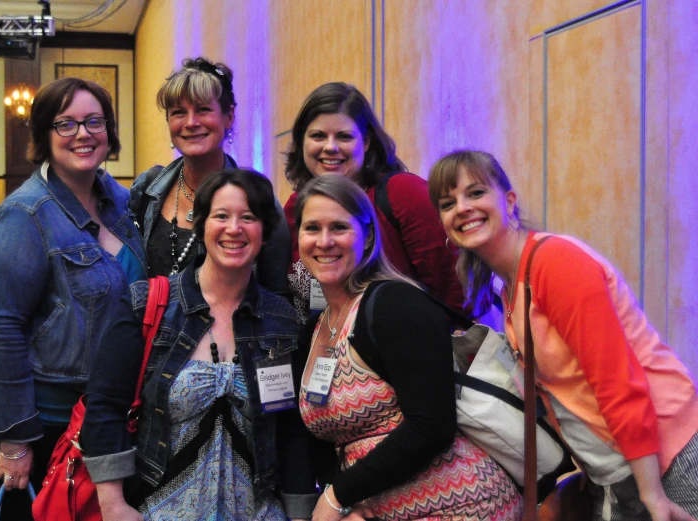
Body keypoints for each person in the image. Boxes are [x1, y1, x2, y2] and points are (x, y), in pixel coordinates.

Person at [429, 149, 698, 521]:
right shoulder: (508, 285)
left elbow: (616, 381)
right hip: (621, 472)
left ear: (509, 202)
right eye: (448, 202)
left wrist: (652, 494)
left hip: (668, 458)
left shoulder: (555, 263)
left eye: (475, 193)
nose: (462, 207)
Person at [0, 78, 146, 521]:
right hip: (4, 402)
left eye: (94, 121)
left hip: (78, 403)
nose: (83, 133)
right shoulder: (23, 216)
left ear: (110, 131)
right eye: (66, 123)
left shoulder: (120, 200)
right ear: (44, 135)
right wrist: (15, 439)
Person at [82, 169, 318, 521]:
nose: (233, 228)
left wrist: (300, 514)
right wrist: (113, 504)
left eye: (248, 217)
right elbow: (105, 406)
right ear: (202, 223)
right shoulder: (148, 305)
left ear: (265, 231)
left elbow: (291, 430)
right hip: (158, 510)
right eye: (221, 215)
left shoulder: (281, 320)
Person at [294, 175, 522, 521]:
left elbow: (432, 426)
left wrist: (338, 497)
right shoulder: (314, 328)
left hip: (462, 506)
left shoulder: (395, 304)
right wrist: (349, 503)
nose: (324, 241)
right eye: (312, 228)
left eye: (339, 227)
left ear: (368, 236)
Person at [283, 82, 463, 322]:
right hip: (323, 350)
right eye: (318, 136)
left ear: (366, 142)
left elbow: (454, 290)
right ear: (301, 142)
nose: (330, 147)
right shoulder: (294, 207)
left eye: (344, 136)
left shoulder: (403, 194)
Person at [130, 57, 290, 295]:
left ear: (229, 116)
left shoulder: (258, 200)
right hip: (149, 329)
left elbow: (277, 296)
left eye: (203, 109)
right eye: (179, 113)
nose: (191, 123)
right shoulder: (148, 187)